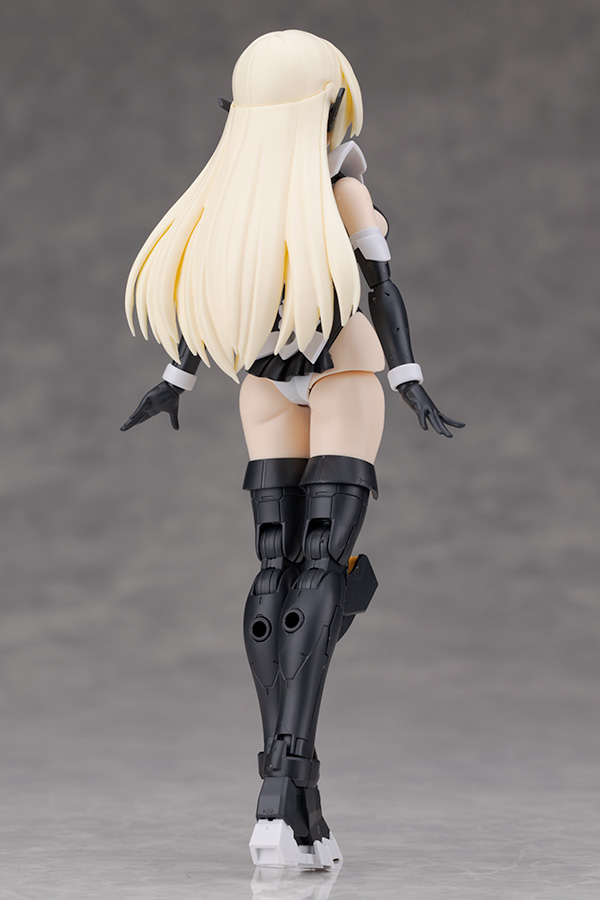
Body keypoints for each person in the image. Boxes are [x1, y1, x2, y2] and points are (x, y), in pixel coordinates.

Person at [121, 30, 463, 869]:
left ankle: (289, 807)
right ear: (331, 104)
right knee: (318, 567)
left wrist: (174, 377)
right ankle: (284, 784)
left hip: (262, 384)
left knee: (280, 566)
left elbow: (214, 297)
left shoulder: (227, 196)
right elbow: (382, 290)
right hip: (341, 368)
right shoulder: (340, 191)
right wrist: (409, 378)